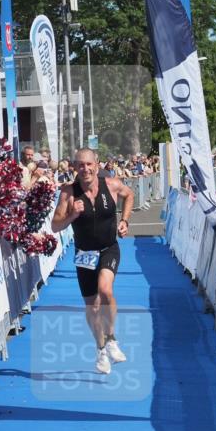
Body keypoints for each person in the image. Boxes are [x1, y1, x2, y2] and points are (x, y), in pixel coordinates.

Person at [50, 147, 134, 375]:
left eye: (89, 164)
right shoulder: (68, 192)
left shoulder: (112, 184)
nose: (85, 169)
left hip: (108, 249)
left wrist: (125, 220)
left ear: (97, 165)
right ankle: (101, 350)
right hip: (84, 254)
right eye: (80, 165)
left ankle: (112, 338)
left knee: (105, 290)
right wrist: (72, 215)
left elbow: (129, 195)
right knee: (93, 306)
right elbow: (55, 226)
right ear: (74, 168)